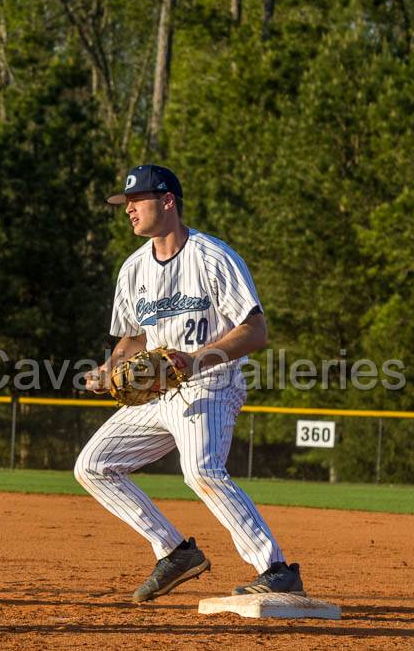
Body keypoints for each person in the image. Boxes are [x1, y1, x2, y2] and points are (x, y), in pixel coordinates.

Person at [74, 164, 303, 603]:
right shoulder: (133, 270)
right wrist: (109, 370)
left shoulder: (213, 257)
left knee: (201, 469)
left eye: (136, 201)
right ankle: (175, 552)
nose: (128, 211)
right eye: (126, 204)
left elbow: (255, 331)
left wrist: (196, 360)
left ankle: (275, 568)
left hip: (211, 381)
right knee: (93, 465)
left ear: (167, 202)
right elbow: (134, 337)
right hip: (160, 390)